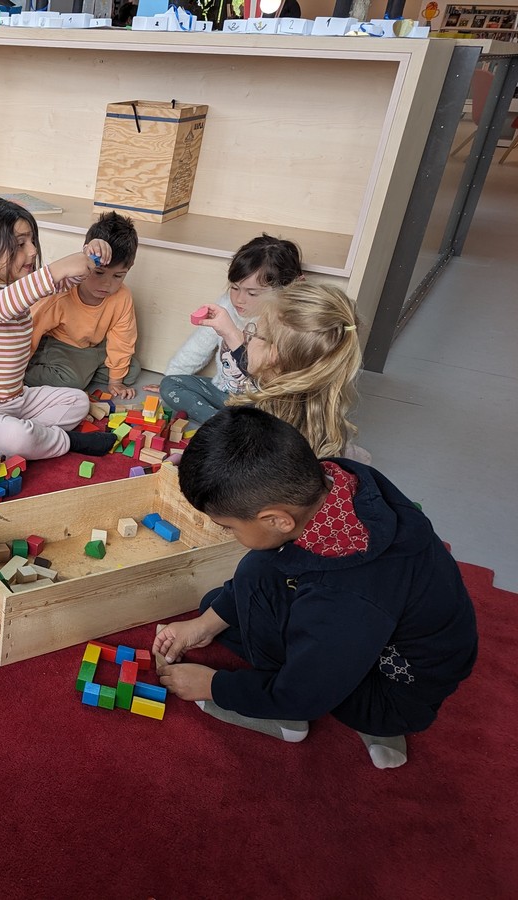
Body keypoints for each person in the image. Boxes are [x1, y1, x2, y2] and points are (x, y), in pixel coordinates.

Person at [155, 407, 477, 769]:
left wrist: (215, 686)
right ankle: (279, 668)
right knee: (224, 600)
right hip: (376, 628)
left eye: (228, 527)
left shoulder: (345, 599)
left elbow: (302, 692)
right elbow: (267, 567)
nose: (227, 533)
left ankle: (284, 721)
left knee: (256, 605)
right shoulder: (334, 478)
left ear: (277, 519)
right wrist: (205, 624)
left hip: (392, 695)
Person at [0, 197, 117, 461]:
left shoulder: (15, 288)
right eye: (21, 245)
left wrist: (89, 255)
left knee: (78, 402)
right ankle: (64, 440)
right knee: (18, 436)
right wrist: (57, 268)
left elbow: (64, 281)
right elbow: (4, 305)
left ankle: (35, 436)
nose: (33, 251)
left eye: (32, 241)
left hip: (17, 399)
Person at [154, 234, 303, 424]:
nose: (239, 299)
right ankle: (222, 424)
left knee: (274, 417)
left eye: (252, 293)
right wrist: (173, 374)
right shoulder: (225, 305)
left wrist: (231, 332)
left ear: (283, 291)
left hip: (259, 402)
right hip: (222, 392)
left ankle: (231, 427)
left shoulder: (284, 320)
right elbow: (198, 345)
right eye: (234, 288)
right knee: (170, 385)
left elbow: (273, 379)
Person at [215, 281, 368, 460]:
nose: (247, 338)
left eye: (254, 331)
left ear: (273, 355)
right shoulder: (323, 418)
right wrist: (230, 333)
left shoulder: (248, 424)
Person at [24, 211, 141, 402]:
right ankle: (30, 372)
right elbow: (31, 328)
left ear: (130, 267)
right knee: (73, 382)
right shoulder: (62, 291)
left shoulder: (122, 296)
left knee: (131, 370)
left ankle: (83, 373)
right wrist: (13, 371)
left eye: (118, 276)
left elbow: (123, 338)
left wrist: (115, 381)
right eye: (99, 273)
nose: (106, 284)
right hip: (59, 345)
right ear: (86, 261)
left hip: (93, 348)